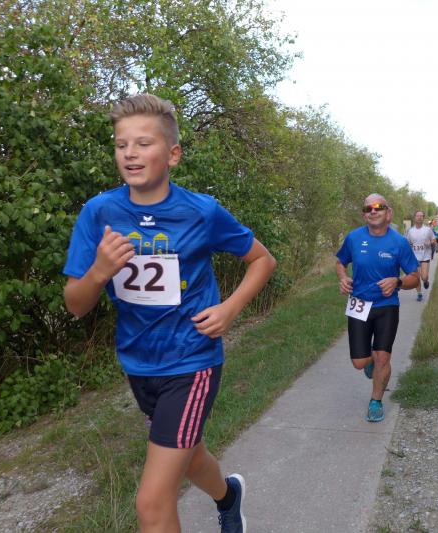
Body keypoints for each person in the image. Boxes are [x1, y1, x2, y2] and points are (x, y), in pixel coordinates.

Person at [63, 93, 276, 533]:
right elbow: (76, 305)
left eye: (144, 143)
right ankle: (229, 496)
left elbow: (262, 260)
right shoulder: (99, 213)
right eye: (121, 144)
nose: (130, 153)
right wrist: (99, 272)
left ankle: (224, 498)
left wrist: (230, 308)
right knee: (191, 455)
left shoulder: (201, 212)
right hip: (139, 363)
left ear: (173, 154)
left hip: (192, 360)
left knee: (152, 503)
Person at [335, 194, 419, 422]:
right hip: (359, 304)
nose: (373, 211)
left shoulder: (399, 242)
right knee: (359, 362)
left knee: (383, 357)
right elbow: (340, 262)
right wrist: (342, 277)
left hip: (386, 306)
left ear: (388, 213)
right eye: (368, 208)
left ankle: (376, 401)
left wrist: (397, 281)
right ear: (364, 215)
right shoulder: (354, 238)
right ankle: (369, 361)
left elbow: (414, 277)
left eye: (378, 207)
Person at [406, 210, 435, 302]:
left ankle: (426, 281)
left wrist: (430, 242)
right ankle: (419, 294)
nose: (419, 217)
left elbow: (434, 239)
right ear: (414, 218)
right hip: (414, 257)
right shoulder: (410, 231)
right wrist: (409, 245)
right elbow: (407, 242)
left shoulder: (428, 230)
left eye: (421, 216)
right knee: (416, 277)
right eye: (417, 216)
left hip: (425, 256)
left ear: (423, 218)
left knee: (424, 277)